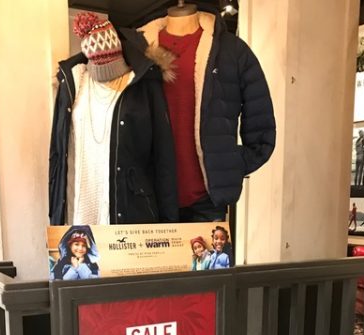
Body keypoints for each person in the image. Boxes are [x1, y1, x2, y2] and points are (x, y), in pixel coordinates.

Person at [134, 2, 276, 222]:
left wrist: (229, 164)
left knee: (209, 248)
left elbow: (261, 131)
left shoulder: (232, 52)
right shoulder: (137, 49)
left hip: (206, 202)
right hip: (147, 197)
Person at [49, 12, 178, 226]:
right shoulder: (72, 83)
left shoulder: (143, 85)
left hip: (129, 214)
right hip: (76, 209)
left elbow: (163, 157)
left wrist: (169, 223)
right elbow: (57, 154)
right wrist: (54, 212)